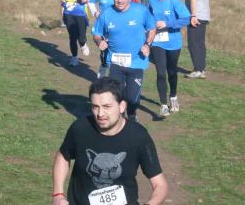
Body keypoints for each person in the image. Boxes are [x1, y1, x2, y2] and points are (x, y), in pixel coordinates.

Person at [52, 77, 168, 205]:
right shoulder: (80, 129)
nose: (100, 113)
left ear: (122, 106)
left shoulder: (138, 136)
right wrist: (58, 195)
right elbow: (63, 156)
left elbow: (160, 185)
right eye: (95, 107)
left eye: (107, 106)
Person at [93, 0, 156, 121]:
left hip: (136, 61)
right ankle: (119, 121)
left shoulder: (141, 11)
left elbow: (152, 28)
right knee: (117, 96)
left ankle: (132, 114)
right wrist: (99, 42)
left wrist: (148, 44)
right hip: (116, 62)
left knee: (132, 99)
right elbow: (97, 34)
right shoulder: (106, 13)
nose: (120, 0)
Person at [148, 0, 190, 117]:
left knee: (171, 72)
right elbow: (148, 16)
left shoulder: (175, 2)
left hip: (173, 43)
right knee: (160, 72)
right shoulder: (152, 0)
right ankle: (164, 105)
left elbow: (186, 19)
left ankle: (173, 97)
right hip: (158, 42)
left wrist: (167, 24)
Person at [60, 0, 94, 67]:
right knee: (72, 36)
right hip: (68, 10)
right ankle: (74, 58)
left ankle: (83, 44)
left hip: (81, 9)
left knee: (82, 36)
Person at [89, 0, 121, 78]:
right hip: (104, 26)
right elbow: (91, 2)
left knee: (118, 49)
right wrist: (95, 12)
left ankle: (118, 76)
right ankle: (102, 74)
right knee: (104, 51)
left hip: (120, 25)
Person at [184, 0, 210, 79]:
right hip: (205, 14)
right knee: (200, 43)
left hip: (196, 14)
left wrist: (193, 15)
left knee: (193, 43)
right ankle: (202, 68)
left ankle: (197, 69)